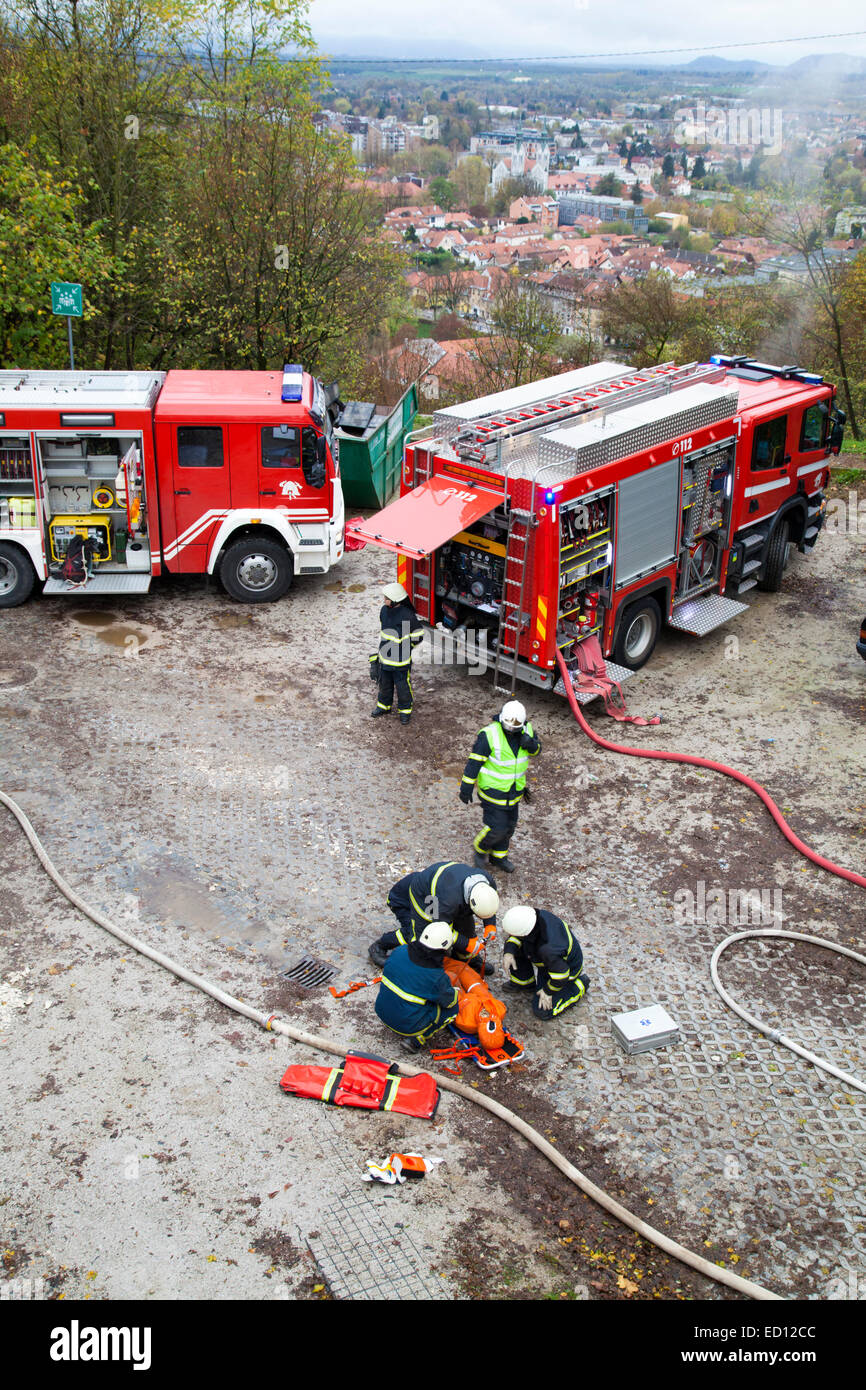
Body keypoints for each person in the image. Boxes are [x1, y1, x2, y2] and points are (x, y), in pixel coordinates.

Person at [368, 860, 499, 974]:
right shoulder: (448, 900)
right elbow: (440, 929)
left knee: (466, 927)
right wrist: (466, 944)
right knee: (421, 935)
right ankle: (381, 945)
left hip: (443, 895)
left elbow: (489, 905)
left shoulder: (486, 883)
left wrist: (490, 924)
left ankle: (464, 958)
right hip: (415, 898)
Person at [459, 700, 540, 873]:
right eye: (508, 727)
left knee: (509, 827)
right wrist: (466, 786)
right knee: (497, 828)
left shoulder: (527, 730)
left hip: (514, 792)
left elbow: (537, 750)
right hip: (493, 792)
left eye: (515, 728)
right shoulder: (489, 735)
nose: (511, 731)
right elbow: (474, 762)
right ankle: (480, 849)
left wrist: (531, 744)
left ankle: (499, 856)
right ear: (502, 720)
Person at [374, 922, 459, 1053]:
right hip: (406, 1025)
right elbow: (449, 1001)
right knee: (452, 1009)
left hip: (381, 1011)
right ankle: (417, 1040)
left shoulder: (400, 950)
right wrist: (455, 991)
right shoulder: (435, 976)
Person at [500, 905, 590, 1021]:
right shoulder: (533, 917)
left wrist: (548, 991)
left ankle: (578, 986)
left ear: (525, 933)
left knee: (542, 1011)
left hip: (563, 971)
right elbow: (517, 937)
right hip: (550, 961)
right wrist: (509, 951)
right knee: (514, 948)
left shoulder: (548, 949)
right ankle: (525, 984)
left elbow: (561, 975)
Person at [370, 582, 424, 725]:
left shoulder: (408, 616)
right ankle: (383, 706)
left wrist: (408, 646)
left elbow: (419, 634)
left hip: (401, 662)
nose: (384, 600)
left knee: (403, 688)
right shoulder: (384, 610)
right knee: (384, 685)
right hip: (385, 659)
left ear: (394, 600)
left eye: (386, 598)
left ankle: (405, 711)